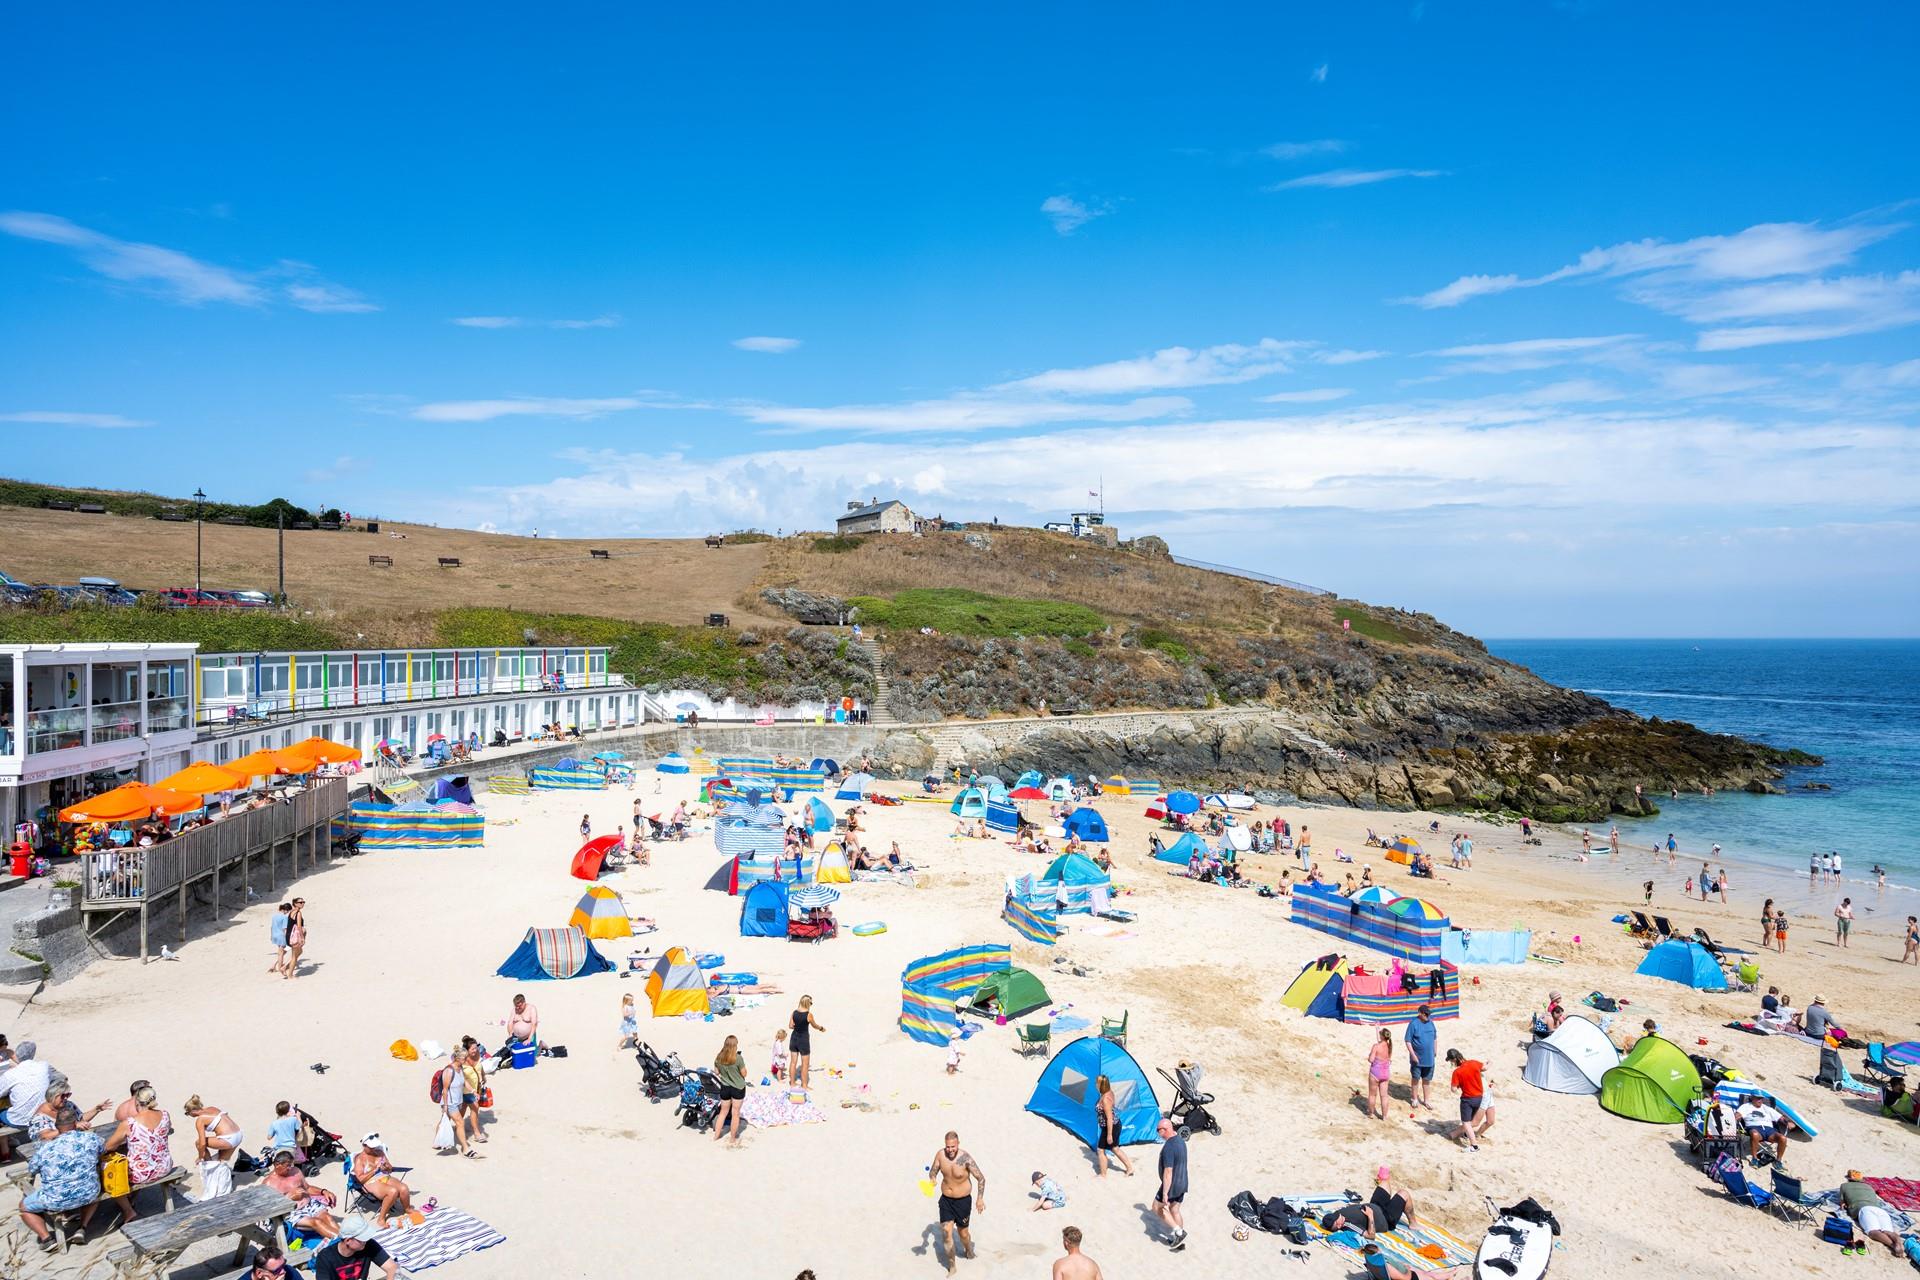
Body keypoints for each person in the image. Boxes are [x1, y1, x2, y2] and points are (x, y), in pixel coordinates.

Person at [19, 1105, 106, 1252]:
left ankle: (47, 1239)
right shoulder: (91, 1138)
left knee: (24, 1207)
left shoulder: (45, 1148)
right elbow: (103, 1149)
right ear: (75, 1124)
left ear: (56, 1127)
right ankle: (82, 1227)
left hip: (56, 1200)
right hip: (88, 1193)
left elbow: (32, 1169)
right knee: (94, 1187)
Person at [106, 1083, 172, 1219]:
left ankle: (128, 1210)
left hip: (141, 1173)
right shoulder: (165, 1115)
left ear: (137, 1102)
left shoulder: (129, 1123)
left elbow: (109, 1146)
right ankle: (131, 1199)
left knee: (108, 1171)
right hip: (164, 1166)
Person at [930, 1130, 986, 1275]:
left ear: (958, 1144)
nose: (950, 1150)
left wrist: (980, 1199)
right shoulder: (940, 1155)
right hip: (946, 1201)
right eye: (948, 1147)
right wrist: (933, 1178)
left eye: (953, 1147)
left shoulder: (965, 1158)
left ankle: (968, 1249)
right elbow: (933, 1171)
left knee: (963, 1234)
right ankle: (952, 1266)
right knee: (946, 1232)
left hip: (963, 1202)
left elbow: (981, 1178)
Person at [263, 1148, 342, 1238]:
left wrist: (323, 1191)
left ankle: (346, 1238)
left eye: (291, 1165)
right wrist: (288, 1198)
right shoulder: (268, 1183)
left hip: (310, 1204)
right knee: (316, 1222)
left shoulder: (295, 1171)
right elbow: (269, 1209)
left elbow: (307, 1188)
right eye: (287, 1166)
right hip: (292, 1212)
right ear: (277, 1165)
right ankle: (341, 1241)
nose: (290, 1168)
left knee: (328, 1218)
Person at [185, 1094, 243, 1199]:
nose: (189, 1115)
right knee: (222, 1161)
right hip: (238, 1134)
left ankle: (209, 1164)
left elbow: (202, 1143)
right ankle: (223, 1190)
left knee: (198, 1143)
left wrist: (200, 1156)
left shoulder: (200, 1120)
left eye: (187, 1113)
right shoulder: (212, 1108)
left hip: (228, 1138)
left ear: (192, 1111)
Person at [352, 1134, 413, 1228]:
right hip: (369, 1181)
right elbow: (360, 1179)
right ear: (364, 1145)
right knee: (392, 1191)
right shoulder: (360, 1159)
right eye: (371, 1147)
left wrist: (386, 1167)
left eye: (375, 1146)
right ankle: (381, 1219)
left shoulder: (380, 1153)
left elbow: (390, 1168)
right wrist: (374, 1170)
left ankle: (407, 1209)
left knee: (403, 1188)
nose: (374, 1149)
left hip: (383, 1176)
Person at [312, 1213, 398, 1280]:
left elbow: (392, 1267)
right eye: (362, 1238)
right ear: (348, 1241)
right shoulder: (325, 1258)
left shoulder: (368, 1244)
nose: (365, 1241)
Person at [1840, 1171, 1903, 1257]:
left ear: (1848, 1179)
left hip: (1865, 1210)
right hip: (1880, 1210)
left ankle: (1893, 1245)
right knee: (1888, 1231)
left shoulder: (1844, 1186)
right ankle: (1899, 1243)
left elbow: (1842, 1204)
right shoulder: (1869, 1187)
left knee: (1873, 1232)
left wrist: (1845, 1204)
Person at [1152, 1117, 1188, 1250]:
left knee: (1156, 1207)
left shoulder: (1169, 1147)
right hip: (1183, 1181)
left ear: (1165, 1130)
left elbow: (1168, 1171)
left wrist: (1165, 1193)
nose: (1157, 1133)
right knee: (1174, 1210)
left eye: (1158, 1130)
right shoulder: (1180, 1140)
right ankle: (1179, 1240)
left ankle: (1178, 1232)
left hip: (1172, 1184)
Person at [1092, 1074, 1134, 1178]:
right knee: (1115, 1148)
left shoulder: (1105, 1099)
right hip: (1113, 1125)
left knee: (1101, 1150)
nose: (1095, 1084)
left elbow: (1109, 1118)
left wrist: (1109, 1134)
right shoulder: (1108, 1092)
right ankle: (1129, 1168)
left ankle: (1103, 1174)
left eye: (1096, 1083)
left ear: (1101, 1085)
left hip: (1110, 1127)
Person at [1444, 1049, 1486, 1151]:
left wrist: (1459, 1085)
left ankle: (1474, 1146)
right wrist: (1490, 1062)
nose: (1451, 1063)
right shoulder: (1473, 1063)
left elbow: (1453, 1089)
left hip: (1467, 1099)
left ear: (1454, 1060)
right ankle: (1466, 1134)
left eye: (1451, 1061)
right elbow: (1484, 1067)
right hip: (1479, 1097)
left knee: (1466, 1122)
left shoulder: (1457, 1072)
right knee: (1471, 1120)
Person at [1360, 1241, 1467, 1280]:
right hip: (1409, 1277)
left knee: (1427, 1273)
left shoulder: (1370, 1258)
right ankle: (1450, 1276)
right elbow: (1404, 1278)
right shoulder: (1386, 1265)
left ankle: (1448, 1275)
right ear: (1377, 1251)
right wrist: (1408, 1270)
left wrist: (1403, 1265)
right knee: (1430, 1277)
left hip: (1404, 1271)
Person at [712, 1035, 746, 1146]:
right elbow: (744, 1073)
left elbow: (716, 1072)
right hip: (738, 1088)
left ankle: (716, 1136)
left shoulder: (719, 1057)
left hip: (725, 1087)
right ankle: (732, 1138)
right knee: (735, 1113)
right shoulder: (738, 1058)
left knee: (723, 1112)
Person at [435, 1055, 472, 1159]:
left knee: (445, 1119)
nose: (466, 1059)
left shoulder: (460, 1068)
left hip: (458, 1100)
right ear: (457, 1058)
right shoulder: (448, 1071)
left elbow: (464, 1081)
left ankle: (437, 1142)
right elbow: (445, 1089)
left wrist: (473, 1091)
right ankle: (465, 1148)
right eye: (464, 1058)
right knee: (460, 1122)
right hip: (450, 1102)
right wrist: (445, 1105)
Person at [1734, 1097, 1788, 1166]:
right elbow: (1737, 1115)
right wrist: (1736, 1117)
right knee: (1755, 1134)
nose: (1760, 1100)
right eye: (1758, 1098)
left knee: (1783, 1138)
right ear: (1752, 1098)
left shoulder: (1767, 1108)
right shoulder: (1745, 1106)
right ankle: (1754, 1158)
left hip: (1769, 1130)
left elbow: (1781, 1118)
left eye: (1761, 1099)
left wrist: (1787, 1122)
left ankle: (1778, 1160)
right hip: (1753, 1127)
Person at [1404, 1004, 1437, 1114]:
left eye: (1428, 1014)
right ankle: (1414, 1099)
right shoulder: (1413, 1024)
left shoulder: (1431, 1023)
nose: (1428, 1016)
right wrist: (1413, 1055)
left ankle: (1426, 1100)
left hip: (1430, 1059)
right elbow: (1408, 1041)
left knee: (1427, 1080)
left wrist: (1435, 1050)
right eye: (1426, 1014)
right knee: (1415, 1079)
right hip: (1417, 1059)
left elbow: (1435, 1038)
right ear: (1420, 1013)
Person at [791, 996, 824, 1090]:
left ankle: (792, 1083)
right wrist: (821, 1028)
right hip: (803, 1040)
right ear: (807, 1003)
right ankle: (804, 1085)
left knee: (793, 1063)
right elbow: (814, 1025)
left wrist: (797, 1026)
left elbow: (790, 1026)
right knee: (805, 1065)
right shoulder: (809, 1015)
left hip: (794, 1038)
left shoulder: (794, 1012)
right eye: (811, 1003)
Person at [458, 1045, 488, 1145]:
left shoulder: (477, 1058)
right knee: (472, 1108)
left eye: (476, 1048)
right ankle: (476, 1133)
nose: (475, 1050)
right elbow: (462, 1079)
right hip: (465, 1091)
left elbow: (480, 1068)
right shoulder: (462, 1061)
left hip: (474, 1090)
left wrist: (483, 1076)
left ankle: (460, 1127)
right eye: (473, 1049)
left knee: (466, 1109)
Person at [1366, 1027, 1393, 1121]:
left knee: (1372, 1095)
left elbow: (1371, 1060)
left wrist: (1369, 1056)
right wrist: (1377, 1029)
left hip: (1375, 1073)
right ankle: (1384, 1116)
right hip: (1385, 1073)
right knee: (1384, 1096)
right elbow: (1381, 1041)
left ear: (1382, 1036)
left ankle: (1371, 1113)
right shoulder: (1389, 1046)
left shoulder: (1376, 1046)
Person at [285, 897, 309, 978]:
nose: (302, 904)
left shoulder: (292, 911)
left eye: (303, 902)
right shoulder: (298, 913)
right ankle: (290, 975)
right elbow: (299, 926)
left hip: (289, 936)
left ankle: (284, 967)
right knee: (294, 957)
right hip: (294, 937)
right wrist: (302, 938)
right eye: (300, 902)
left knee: (299, 952)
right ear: (295, 904)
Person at [269, 902, 293, 976]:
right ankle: (280, 968)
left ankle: (275, 966)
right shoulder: (284, 917)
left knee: (280, 952)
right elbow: (284, 929)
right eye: (288, 911)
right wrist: (288, 937)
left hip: (274, 935)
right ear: (286, 910)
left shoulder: (274, 916)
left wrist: (271, 936)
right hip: (281, 936)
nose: (287, 913)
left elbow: (271, 927)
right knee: (281, 953)